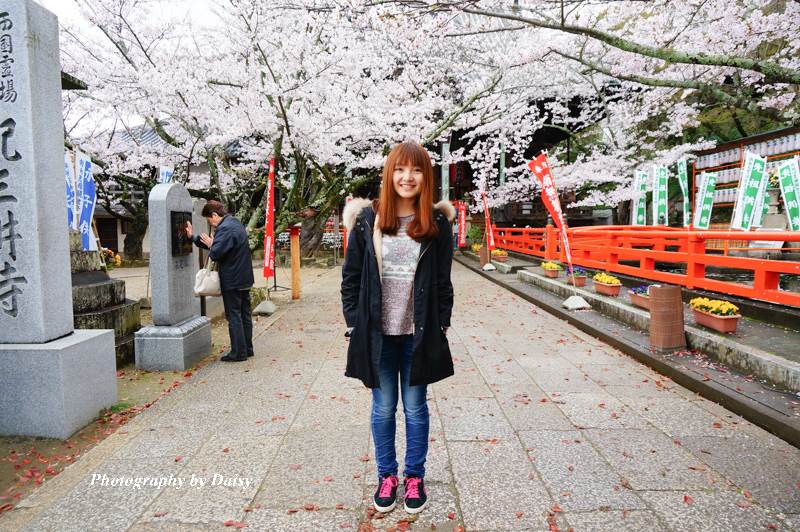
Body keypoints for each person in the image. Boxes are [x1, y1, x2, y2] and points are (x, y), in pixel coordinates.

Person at [341, 141, 455, 515]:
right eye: (401, 169)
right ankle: (387, 476)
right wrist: (355, 325)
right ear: (389, 174)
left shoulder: (436, 225)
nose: (408, 177)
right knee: (383, 407)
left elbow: (443, 282)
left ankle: (415, 476)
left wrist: (441, 325)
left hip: (417, 334)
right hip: (378, 335)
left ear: (426, 177)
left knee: (416, 408)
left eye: (417, 170)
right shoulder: (367, 220)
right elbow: (351, 279)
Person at [186, 200, 255, 362]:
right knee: (245, 314)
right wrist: (193, 238)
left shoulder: (224, 229)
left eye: (210, 220)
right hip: (244, 278)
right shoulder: (235, 223)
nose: (211, 224)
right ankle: (247, 348)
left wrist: (212, 244)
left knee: (234, 315)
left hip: (233, 279)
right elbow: (222, 247)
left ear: (215, 215)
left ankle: (238, 353)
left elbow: (216, 253)